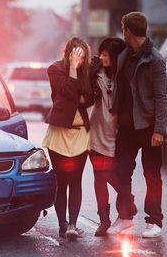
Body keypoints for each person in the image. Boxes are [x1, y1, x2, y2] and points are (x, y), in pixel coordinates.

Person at [108, 12, 167, 238]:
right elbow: (120, 90)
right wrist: (114, 115)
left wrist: (159, 130)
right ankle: (124, 217)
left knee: (152, 175)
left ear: (128, 31)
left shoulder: (155, 60)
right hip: (126, 126)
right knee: (121, 171)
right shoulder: (125, 56)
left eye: (123, 29)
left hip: (148, 126)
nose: (122, 33)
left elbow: (162, 96)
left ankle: (154, 221)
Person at [42, 37, 93, 240]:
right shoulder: (55, 69)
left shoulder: (88, 71)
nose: (79, 60)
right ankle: (62, 224)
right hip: (59, 132)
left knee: (76, 180)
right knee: (61, 181)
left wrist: (79, 94)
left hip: (81, 133)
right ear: (69, 53)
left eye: (82, 56)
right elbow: (71, 92)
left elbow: (90, 98)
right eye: (75, 54)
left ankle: (72, 224)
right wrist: (72, 70)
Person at [89, 37, 131, 236]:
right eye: (101, 53)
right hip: (96, 131)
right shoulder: (96, 72)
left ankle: (126, 199)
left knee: (112, 174)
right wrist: (93, 66)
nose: (102, 57)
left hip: (117, 134)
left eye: (106, 54)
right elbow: (85, 85)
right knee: (99, 176)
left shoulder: (124, 76)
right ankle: (103, 220)